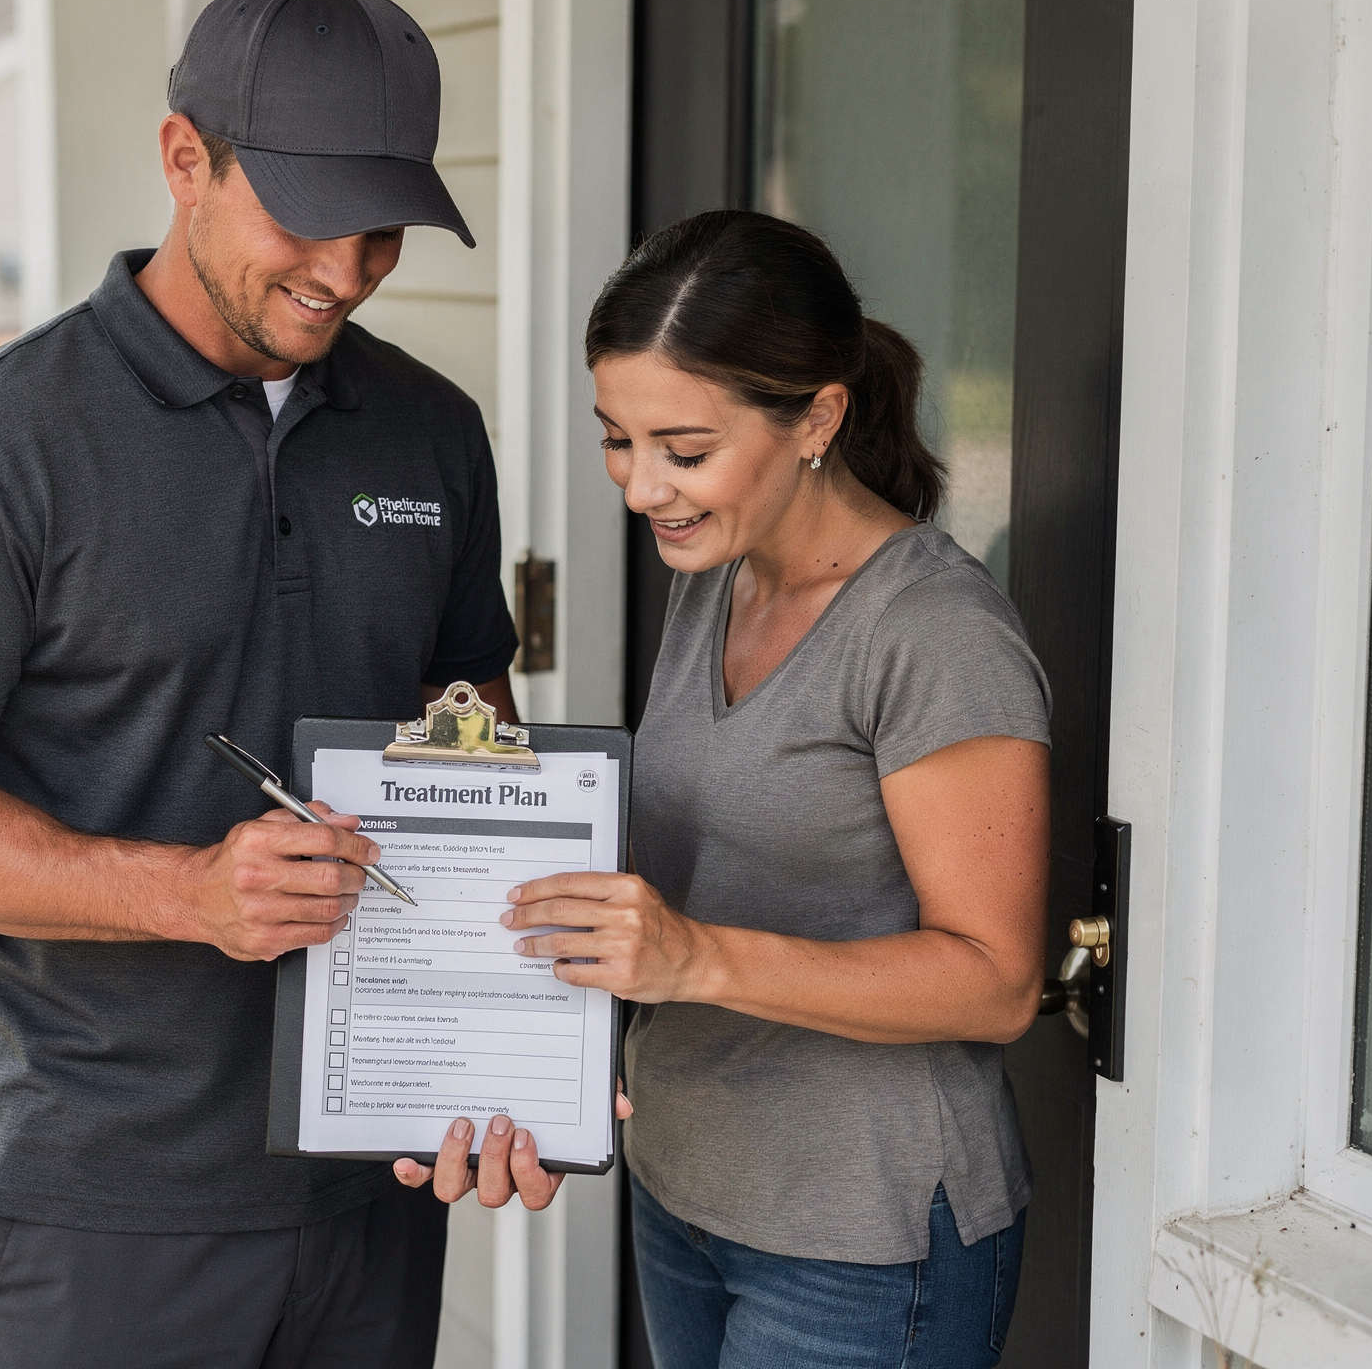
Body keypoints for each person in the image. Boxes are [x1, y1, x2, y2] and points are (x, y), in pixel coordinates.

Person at [0, 0, 551, 1369]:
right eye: (305, 216)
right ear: (182, 160)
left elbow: (469, 721)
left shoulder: (433, 432)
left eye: (384, 227)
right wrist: (187, 894)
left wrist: (515, 1045)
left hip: (373, 1185)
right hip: (102, 1207)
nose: (347, 270)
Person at [422, 209, 1052, 1367]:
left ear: (817, 416)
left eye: (686, 449)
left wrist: (693, 957)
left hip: (863, 1242)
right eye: (619, 439)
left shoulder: (934, 636)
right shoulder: (720, 577)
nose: (643, 486)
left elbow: (997, 983)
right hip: (688, 1189)